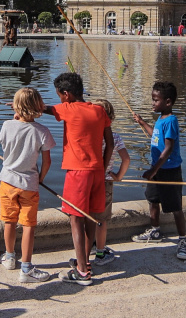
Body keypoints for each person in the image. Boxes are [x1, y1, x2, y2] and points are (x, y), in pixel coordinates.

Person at [41, 73, 113, 285]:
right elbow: (109, 143)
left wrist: (19, 104)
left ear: (66, 94)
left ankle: (82, 272)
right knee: (91, 216)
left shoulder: (67, 108)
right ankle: (85, 261)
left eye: (60, 96)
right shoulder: (99, 110)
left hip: (77, 172)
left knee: (75, 218)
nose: (60, 100)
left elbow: (42, 108)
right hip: (97, 171)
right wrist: (103, 165)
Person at [0, 87, 56, 283]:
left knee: (9, 221)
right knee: (28, 225)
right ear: (39, 106)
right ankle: (26, 268)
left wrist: (16, 118)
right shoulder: (43, 132)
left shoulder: (7, 125)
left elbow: (6, 146)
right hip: (29, 184)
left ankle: (10, 257)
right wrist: (41, 178)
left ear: (16, 106)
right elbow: (47, 162)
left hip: (7, 181)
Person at [132, 81, 186, 261]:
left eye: (156, 100)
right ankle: (155, 230)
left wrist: (153, 169)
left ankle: (183, 241)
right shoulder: (160, 119)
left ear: (168, 102)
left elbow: (168, 149)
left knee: (175, 207)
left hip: (169, 170)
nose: (152, 103)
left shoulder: (171, 120)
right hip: (156, 169)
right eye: (152, 99)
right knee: (153, 200)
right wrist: (142, 122)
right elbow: (155, 135)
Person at [90, 99, 130, 266]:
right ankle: (100, 252)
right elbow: (126, 159)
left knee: (88, 216)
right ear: (111, 119)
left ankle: (89, 246)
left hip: (88, 180)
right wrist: (119, 176)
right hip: (105, 181)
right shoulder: (115, 137)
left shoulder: (89, 136)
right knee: (101, 219)